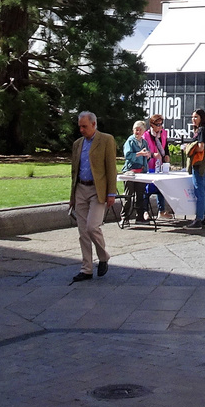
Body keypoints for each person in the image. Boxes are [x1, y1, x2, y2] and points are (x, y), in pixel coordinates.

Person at [68, 111, 117, 281]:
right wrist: (72, 196)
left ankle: (103, 257)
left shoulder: (106, 140)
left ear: (94, 125)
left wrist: (111, 192)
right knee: (83, 231)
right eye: (80, 126)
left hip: (98, 190)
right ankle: (86, 268)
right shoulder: (77, 144)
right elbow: (74, 171)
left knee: (92, 227)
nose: (81, 129)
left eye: (85, 126)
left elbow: (111, 167)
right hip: (81, 188)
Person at [185, 109, 205, 228]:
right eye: (192, 117)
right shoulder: (204, 129)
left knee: (200, 190)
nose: (193, 119)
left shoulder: (201, 130)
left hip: (200, 162)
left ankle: (199, 219)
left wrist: (188, 148)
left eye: (196, 117)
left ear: (201, 118)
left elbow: (200, 147)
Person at [141, 114, 171, 218]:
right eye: (157, 124)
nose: (160, 127)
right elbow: (145, 150)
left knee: (161, 188)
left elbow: (165, 147)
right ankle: (145, 211)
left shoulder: (163, 133)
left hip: (160, 165)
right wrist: (153, 155)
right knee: (148, 188)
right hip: (150, 165)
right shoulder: (146, 135)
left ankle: (161, 211)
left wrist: (166, 155)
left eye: (161, 124)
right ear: (152, 125)